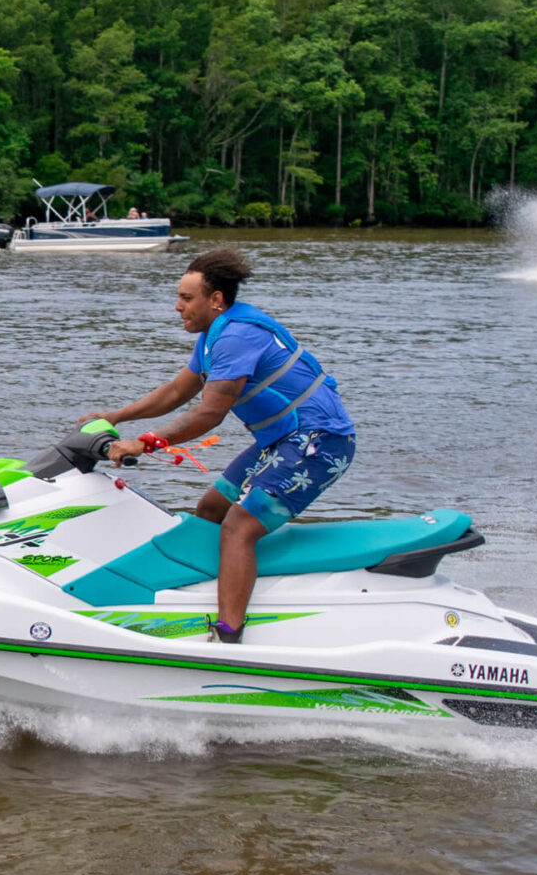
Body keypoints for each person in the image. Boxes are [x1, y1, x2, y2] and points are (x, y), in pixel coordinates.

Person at [79, 247, 355, 643]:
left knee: (238, 527)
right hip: (283, 440)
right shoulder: (214, 334)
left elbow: (209, 414)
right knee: (211, 507)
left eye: (185, 298)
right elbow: (177, 390)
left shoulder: (238, 336)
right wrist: (115, 417)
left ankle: (229, 634)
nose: (177, 306)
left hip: (319, 442)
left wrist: (144, 443)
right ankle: (200, 594)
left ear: (216, 300)